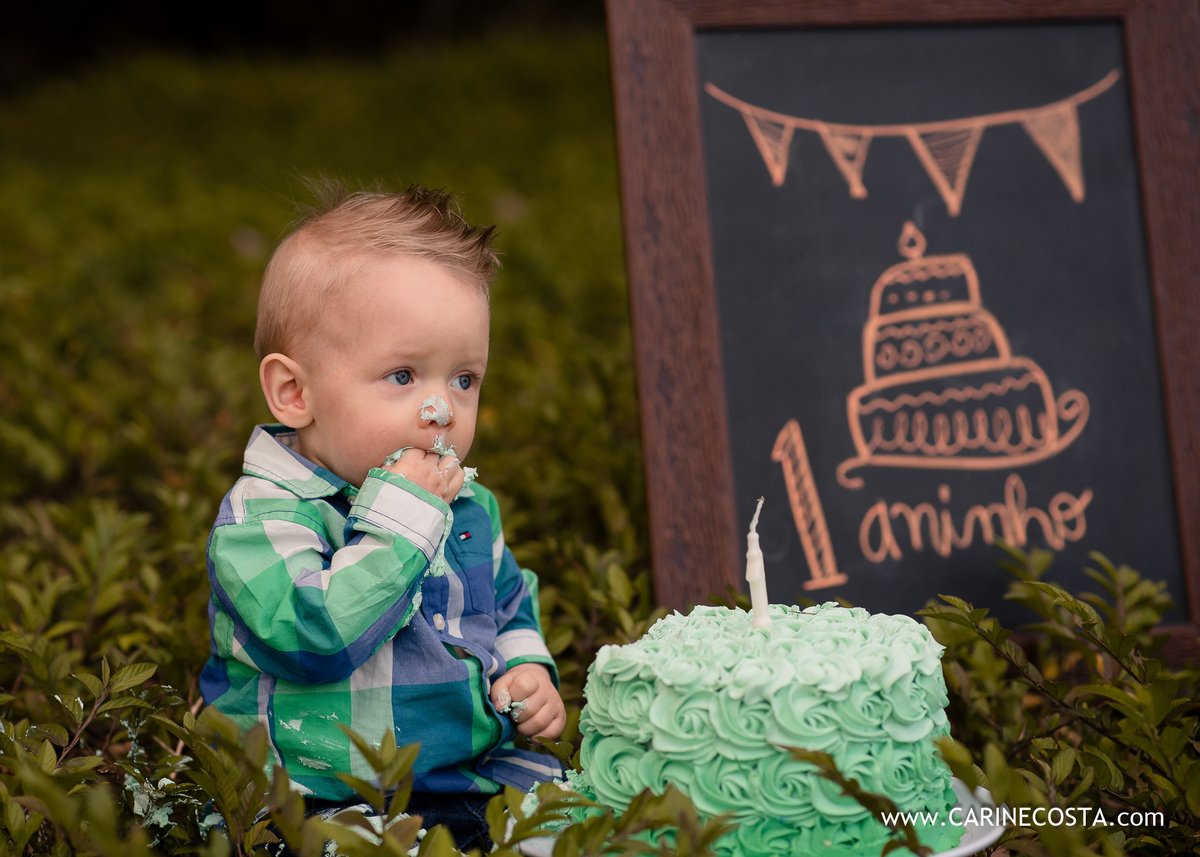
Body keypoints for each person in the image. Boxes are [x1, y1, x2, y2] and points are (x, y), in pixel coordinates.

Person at [199, 184, 566, 852]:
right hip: (309, 789)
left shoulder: (467, 506)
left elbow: (507, 602)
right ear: (295, 392)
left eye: (464, 378)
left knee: (570, 817)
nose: (443, 410)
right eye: (403, 376)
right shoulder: (261, 518)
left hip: (460, 772)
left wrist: (528, 671)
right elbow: (314, 637)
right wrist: (402, 521)